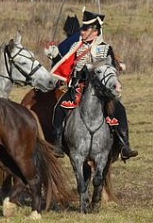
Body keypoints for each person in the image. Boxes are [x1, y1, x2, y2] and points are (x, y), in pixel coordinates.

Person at [49, 9, 137, 160]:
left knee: (120, 110)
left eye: (85, 29)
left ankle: (124, 145)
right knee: (58, 108)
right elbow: (65, 66)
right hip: (77, 88)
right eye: (82, 28)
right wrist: (55, 54)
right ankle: (57, 144)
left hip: (100, 90)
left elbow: (110, 69)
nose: (81, 31)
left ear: (95, 30)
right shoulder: (76, 46)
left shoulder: (105, 48)